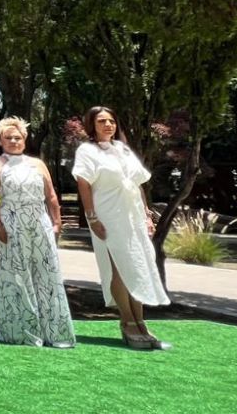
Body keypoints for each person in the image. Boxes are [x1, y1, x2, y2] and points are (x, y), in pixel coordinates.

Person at [72, 106, 171, 350]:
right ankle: (127, 321)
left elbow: (137, 184)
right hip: (108, 215)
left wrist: (147, 215)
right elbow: (84, 185)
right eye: (101, 121)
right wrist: (92, 218)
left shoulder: (123, 149)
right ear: (92, 125)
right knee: (118, 268)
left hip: (133, 216)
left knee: (138, 266)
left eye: (111, 121)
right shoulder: (87, 150)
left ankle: (140, 322)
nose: (108, 125)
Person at [0, 117, 74, 348]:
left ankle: (54, 331)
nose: (14, 141)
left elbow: (51, 195)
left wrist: (56, 222)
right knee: (16, 272)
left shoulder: (37, 164)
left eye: (18, 137)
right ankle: (19, 331)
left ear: (24, 139)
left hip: (39, 220)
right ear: (0, 140)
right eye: (8, 138)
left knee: (46, 273)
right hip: (12, 221)